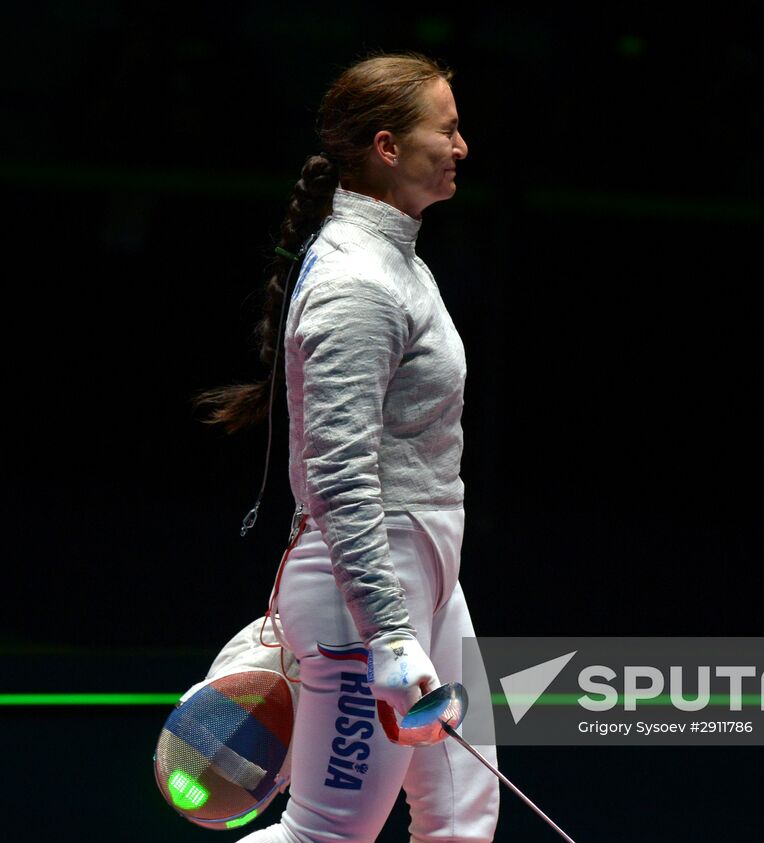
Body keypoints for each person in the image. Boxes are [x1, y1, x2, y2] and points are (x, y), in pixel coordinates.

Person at [195, 52, 499, 842]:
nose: (463, 145)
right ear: (389, 147)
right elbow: (339, 476)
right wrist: (390, 635)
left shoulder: (398, 262)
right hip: (366, 595)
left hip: (423, 573)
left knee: (462, 813)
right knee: (326, 832)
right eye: (449, 128)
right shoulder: (356, 282)